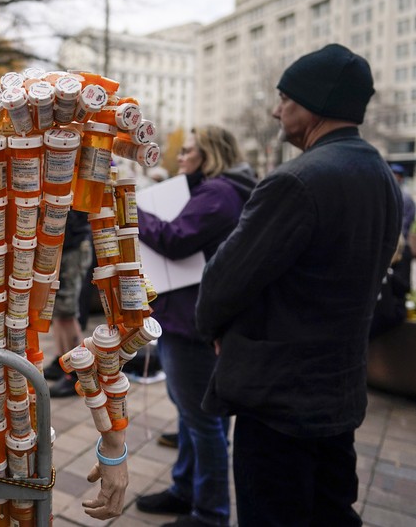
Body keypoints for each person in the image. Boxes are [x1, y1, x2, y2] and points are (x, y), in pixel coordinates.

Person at [195, 44, 401, 527]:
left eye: (284, 97)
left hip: (279, 401)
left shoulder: (298, 180)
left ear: (313, 105)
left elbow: (225, 281)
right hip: (339, 393)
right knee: (331, 512)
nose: (275, 109)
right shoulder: (381, 176)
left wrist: (215, 329)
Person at [135, 126, 256, 527]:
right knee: (195, 417)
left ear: (209, 154)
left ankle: (209, 514)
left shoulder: (217, 193)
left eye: (188, 152)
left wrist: (131, 208)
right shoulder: (220, 189)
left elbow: (174, 238)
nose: (181, 158)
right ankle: (184, 490)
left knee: (204, 423)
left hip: (193, 321)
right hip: (192, 316)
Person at [45, 210, 92, 397]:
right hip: (59, 244)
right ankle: (62, 361)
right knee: (57, 310)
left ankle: (79, 374)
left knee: (67, 312)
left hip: (71, 243)